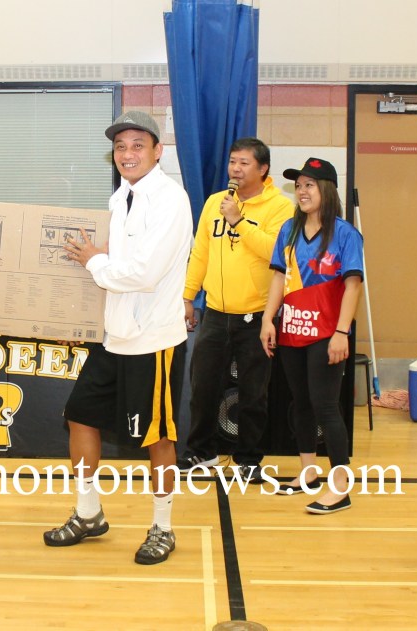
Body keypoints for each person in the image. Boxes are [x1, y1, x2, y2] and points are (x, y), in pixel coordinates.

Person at [43, 111, 193, 564]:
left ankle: (163, 527)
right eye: (120, 147)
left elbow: (144, 274)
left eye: (137, 146)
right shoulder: (119, 198)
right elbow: (121, 263)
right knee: (79, 415)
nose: (127, 154)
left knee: (158, 439)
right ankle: (89, 514)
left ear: (157, 151)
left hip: (154, 342)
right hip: (115, 338)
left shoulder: (170, 199)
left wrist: (93, 261)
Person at [178, 138, 294, 480]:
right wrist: (188, 295)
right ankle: (202, 452)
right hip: (215, 311)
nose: (236, 169)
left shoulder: (281, 207)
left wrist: (240, 221)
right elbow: (201, 251)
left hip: (258, 315)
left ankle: (248, 460)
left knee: (253, 391)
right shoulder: (216, 202)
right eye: (232, 162)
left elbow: (277, 253)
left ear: (263, 169)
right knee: (203, 387)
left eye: (244, 163)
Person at [260, 158, 363, 514]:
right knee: (299, 403)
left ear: (327, 191)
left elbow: (352, 286)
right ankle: (308, 473)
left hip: (326, 334)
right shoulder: (289, 230)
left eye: (310, 185)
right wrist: (268, 319)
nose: (302, 191)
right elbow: (278, 277)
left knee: (325, 406)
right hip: (291, 332)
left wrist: (341, 333)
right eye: (299, 185)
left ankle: (340, 487)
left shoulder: (346, 234)